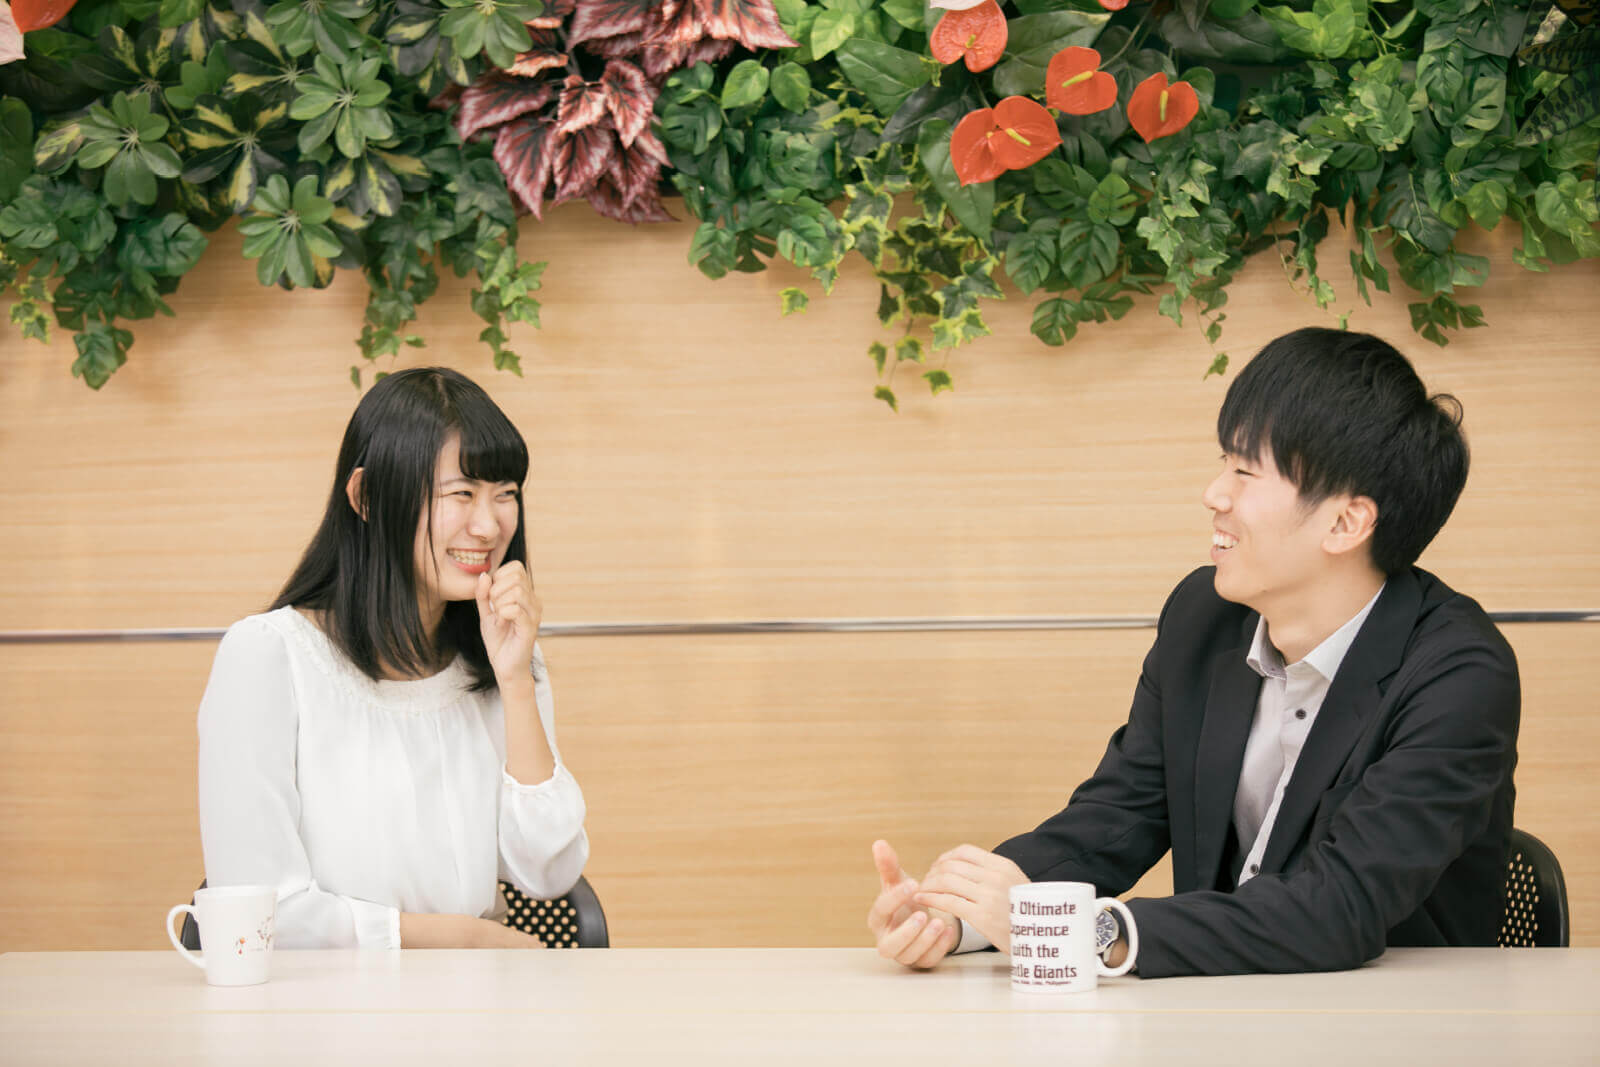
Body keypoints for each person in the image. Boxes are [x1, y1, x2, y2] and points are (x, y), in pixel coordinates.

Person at [867, 327, 1520, 977]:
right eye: (1223, 462)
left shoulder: (1459, 676)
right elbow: (1120, 815)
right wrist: (960, 917)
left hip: (1401, 1016)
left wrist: (1076, 930)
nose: (1215, 494)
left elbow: (1339, 907)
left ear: (1345, 522)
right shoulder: (1204, 617)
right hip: (1225, 1010)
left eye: (1245, 471)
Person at [197, 367, 588, 949]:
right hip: (322, 1005)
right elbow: (261, 914)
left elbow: (548, 873)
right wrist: (466, 939)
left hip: (484, 1001)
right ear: (367, 498)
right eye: (461, 494)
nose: (488, 525)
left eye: (505, 494)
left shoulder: (500, 658)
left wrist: (515, 682)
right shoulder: (268, 658)